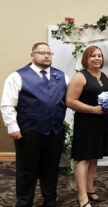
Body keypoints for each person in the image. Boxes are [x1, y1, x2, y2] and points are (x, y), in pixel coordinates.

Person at [0, 42, 67, 207]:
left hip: (55, 131)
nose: (46, 56)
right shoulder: (18, 76)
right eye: (41, 52)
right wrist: (12, 127)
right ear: (32, 55)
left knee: (51, 169)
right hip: (29, 132)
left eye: (49, 53)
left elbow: (72, 98)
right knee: (27, 171)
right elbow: (7, 104)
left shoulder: (62, 76)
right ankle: (24, 202)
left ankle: (50, 201)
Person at [66, 46, 108, 207]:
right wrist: (93, 109)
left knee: (94, 158)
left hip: (101, 122)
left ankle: (90, 189)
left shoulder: (105, 76)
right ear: (86, 58)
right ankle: (82, 195)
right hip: (85, 122)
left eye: (99, 55)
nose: (97, 58)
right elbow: (70, 101)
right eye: (93, 56)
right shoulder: (80, 76)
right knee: (83, 158)